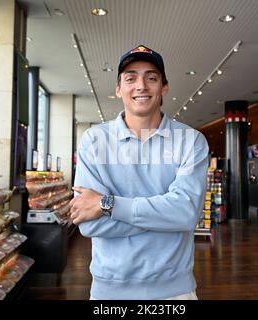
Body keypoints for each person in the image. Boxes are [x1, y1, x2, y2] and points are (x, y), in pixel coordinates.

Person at [70, 44, 209, 300]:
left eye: (151, 77)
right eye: (130, 78)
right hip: (108, 292)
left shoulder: (191, 141)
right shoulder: (94, 140)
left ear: (164, 87)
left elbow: (186, 214)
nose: (141, 86)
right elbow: (89, 224)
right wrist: (164, 218)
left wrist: (107, 204)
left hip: (175, 291)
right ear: (118, 88)